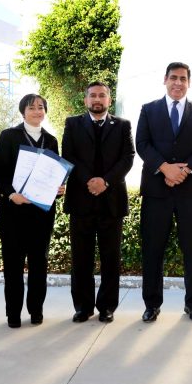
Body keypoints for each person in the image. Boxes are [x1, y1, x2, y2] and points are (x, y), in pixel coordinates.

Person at [136, 62, 192, 323]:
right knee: (152, 250)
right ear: (165, 80)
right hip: (156, 192)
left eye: (183, 78)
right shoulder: (148, 110)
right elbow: (142, 144)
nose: (178, 83)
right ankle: (152, 304)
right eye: (173, 78)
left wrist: (184, 170)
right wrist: (164, 168)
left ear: (189, 82)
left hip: (191, 193)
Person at [62, 82, 135, 324]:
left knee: (110, 258)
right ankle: (82, 307)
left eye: (102, 95)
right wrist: (89, 181)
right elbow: (68, 155)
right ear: (85, 100)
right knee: (81, 258)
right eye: (92, 95)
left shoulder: (123, 125)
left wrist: (105, 181)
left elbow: (128, 157)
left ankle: (107, 307)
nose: (97, 99)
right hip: (81, 201)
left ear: (109, 99)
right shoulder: (72, 124)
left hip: (111, 201)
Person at [0, 94, 63, 328]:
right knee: (12, 264)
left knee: (39, 263)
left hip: (41, 213)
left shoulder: (51, 140)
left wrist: (58, 188)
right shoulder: (9, 136)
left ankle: (36, 310)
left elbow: (54, 172)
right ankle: (13, 313)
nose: (36, 111)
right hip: (13, 209)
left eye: (41, 107)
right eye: (31, 107)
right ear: (23, 111)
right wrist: (12, 194)